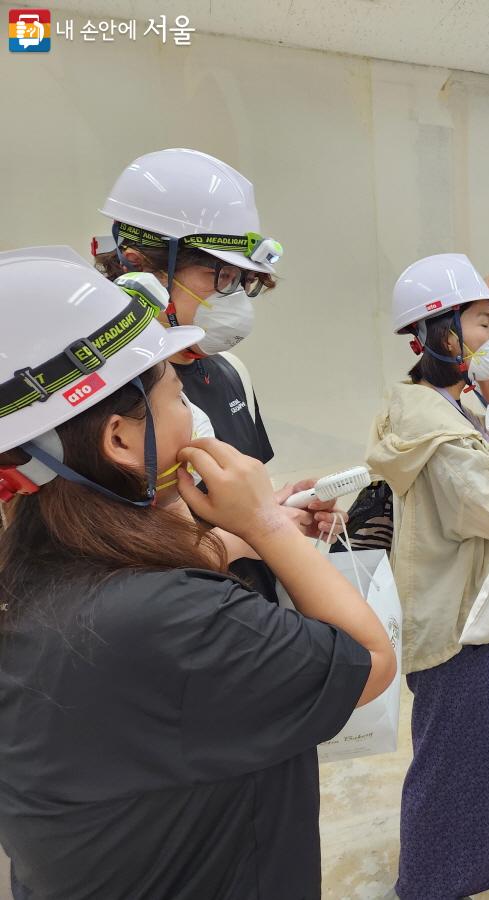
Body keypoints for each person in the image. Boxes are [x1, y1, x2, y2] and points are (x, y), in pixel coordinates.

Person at [0, 246, 396, 900]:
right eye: (177, 394)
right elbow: (367, 660)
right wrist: (267, 528)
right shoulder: (175, 622)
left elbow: (139, 574)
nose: (188, 415)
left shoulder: (38, 561)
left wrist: (246, 533)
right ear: (122, 439)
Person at [368, 253, 489, 899]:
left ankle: (477, 850)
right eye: (477, 320)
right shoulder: (435, 429)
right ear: (435, 334)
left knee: (472, 753)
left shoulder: (441, 404)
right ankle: (429, 881)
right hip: (454, 624)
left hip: (470, 608)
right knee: (449, 763)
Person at [91, 148, 341, 601]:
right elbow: (108, 558)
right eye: (219, 277)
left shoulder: (228, 373)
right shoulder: (97, 395)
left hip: (249, 614)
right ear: (138, 264)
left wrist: (281, 506)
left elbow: (226, 501)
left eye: (242, 281)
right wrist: (260, 534)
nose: (236, 300)